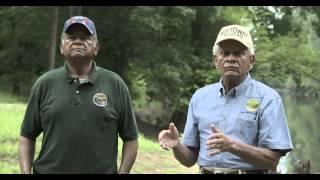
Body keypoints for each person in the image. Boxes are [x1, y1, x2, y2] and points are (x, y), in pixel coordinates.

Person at [158, 25, 293, 174]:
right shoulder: (200, 97)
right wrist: (177, 146)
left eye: (238, 53)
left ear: (251, 60)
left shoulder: (268, 98)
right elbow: (189, 159)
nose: (230, 59)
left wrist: (232, 146)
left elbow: (272, 160)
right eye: (225, 53)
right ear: (216, 61)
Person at [18, 16, 139, 174]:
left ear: (96, 47)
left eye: (85, 37)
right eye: (71, 37)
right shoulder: (45, 84)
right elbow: (27, 135)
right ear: (61, 47)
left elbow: (131, 138)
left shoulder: (115, 84)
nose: (77, 41)